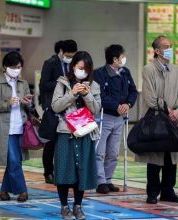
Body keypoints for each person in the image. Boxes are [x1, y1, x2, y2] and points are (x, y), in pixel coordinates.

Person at [135, 36, 178, 204]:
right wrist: (167, 109)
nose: (169, 49)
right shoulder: (148, 69)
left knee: (171, 156)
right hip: (156, 119)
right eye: (166, 46)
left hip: (173, 120)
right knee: (155, 155)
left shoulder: (177, 70)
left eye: (171, 46)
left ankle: (168, 191)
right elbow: (150, 98)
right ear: (157, 51)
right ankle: (152, 192)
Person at [51, 51, 101, 219]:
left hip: (85, 132)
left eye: (87, 69)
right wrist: (71, 93)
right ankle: (64, 206)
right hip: (66, 132)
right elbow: (55, 106)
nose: (83, 71)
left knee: (82, 170)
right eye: (80, 68)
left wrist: (87, 94)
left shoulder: (94, 86)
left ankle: (78, 206)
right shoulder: (62, 82)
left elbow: (96, 110)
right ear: (73, 67)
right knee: (65, 169)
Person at [0, 51, 32, 202]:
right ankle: (22, 190)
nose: (17, 70)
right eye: (14, 67)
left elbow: (29, 106)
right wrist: (7, 103)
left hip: (21, 127)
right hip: (5, 129)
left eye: (19, 67)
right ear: (5, 67)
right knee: (14, 161)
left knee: (14, 160)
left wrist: (27, 102)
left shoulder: (23, 83)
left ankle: (4, 190)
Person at [94, 44, 138, 194]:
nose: (124, 59)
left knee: (113, 152)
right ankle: (99, 181)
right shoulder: (99, 73)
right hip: (104, 116)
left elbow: (133, 91)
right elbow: (100, 95)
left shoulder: (125, 72)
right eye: (122, 56)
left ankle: (108, 179)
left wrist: (128, 104)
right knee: (99, 152)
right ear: (114, 59)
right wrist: (117, 106)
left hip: (120, 118)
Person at [40, 39, 77, 184]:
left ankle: (62, 170)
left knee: (65, 141)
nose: (70, 58)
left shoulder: (74, 65)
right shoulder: (50, 63)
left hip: (69, 107)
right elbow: (44, 84)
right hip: (53, 107)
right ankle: (48, 172)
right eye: (68, 55)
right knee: (51, 141)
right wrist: (62, 83)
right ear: (61, 52)